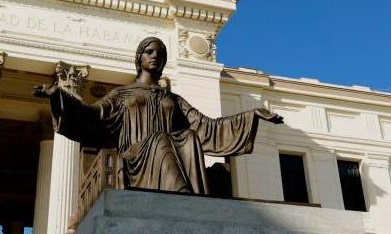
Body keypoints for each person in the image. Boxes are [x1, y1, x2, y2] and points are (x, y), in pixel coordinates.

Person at [34, 37, 283, 194]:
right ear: (139, 58)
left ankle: (185, 194)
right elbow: (94, 114)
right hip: (134, 157)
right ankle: (181, 194)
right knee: (161, 140)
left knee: (187, 137)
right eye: (149, 52)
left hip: (166, 152)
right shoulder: (122, 94)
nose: (155, 56)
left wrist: (251, 116)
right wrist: (59, 95)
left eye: (159, 54)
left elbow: (206, 127)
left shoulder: (171, 99)